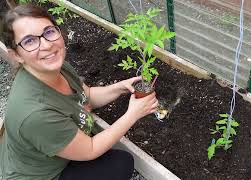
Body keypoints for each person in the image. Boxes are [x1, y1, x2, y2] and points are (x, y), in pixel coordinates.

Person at [0, 3, 158, 180]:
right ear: (16, 55)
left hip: (44, 150)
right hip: (39, 176)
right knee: (120, 165)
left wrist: (119, 87)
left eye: (49, 32)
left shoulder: (54, 68)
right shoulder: (35, 114)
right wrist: (133, 114)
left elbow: (87, 95)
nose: (46, 45)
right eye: (29, 41)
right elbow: (90, 149)